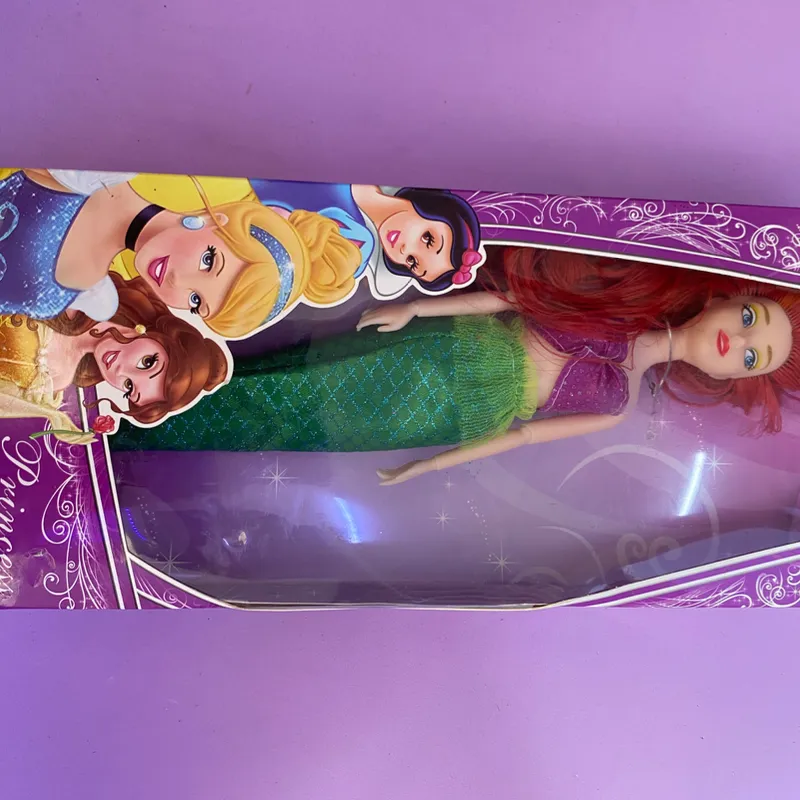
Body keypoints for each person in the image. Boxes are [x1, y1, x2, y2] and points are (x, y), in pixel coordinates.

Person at [107, 247, 800, 485]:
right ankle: (136, 385)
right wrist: (414, 310)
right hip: (439, 350)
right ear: (728, 294)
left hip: (442, 414)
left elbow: (521, 437)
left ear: (738, 380)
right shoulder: (617, 307)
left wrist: (426, 467)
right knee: (285, 375)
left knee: (292, 425)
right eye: (749, 318)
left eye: (752, 355)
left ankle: (131, 422)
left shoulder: (617, 405)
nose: (735, 342)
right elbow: (511, 300)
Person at [0, 170, 361, 338]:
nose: (176, 282)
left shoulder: (86, 295)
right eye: (208, 261)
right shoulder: (95, 171)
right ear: (217, 220)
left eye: (195, 301)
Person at [0, 272, 228, 443]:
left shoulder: (56, 380)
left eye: (129, 387)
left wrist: (53, 418)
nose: (120, 371)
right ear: (159, 335)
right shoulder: (83, 285)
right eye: (147, 362)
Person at [249, 180, 483, 299]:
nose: (404, 249)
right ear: (436, 209)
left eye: (412, 262)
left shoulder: (351, 249)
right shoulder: (390, 160)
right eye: (427, 239)